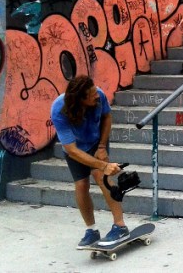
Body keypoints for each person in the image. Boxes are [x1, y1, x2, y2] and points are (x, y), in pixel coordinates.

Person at [50, 75, 127, 248]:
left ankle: (120, 226)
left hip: (96, 141)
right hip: (75, 148)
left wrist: (102, 146)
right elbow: (71, 150)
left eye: (95, 91)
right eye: (92, 95)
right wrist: (104, 165)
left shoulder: (99, 95)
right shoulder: (58, 110)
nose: (97, 95)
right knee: (81, 185)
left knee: (102, 177)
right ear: (80, 99)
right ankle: (91, 230)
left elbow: (107, 117)